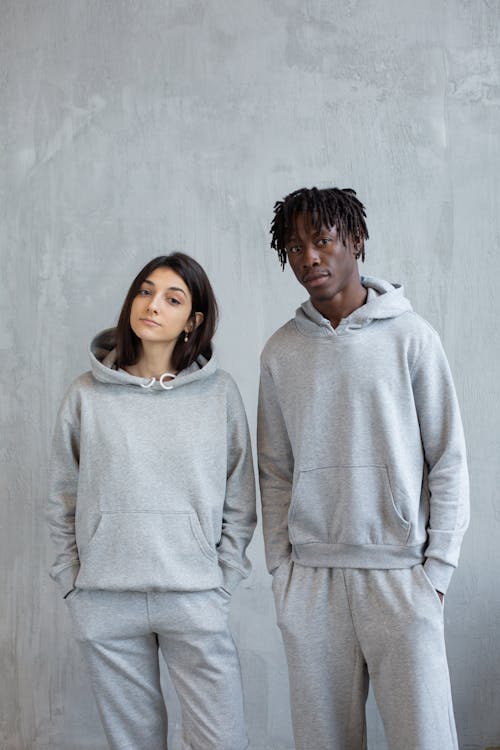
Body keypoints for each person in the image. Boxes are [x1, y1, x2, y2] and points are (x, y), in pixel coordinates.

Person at [258, 187, 469, 750]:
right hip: (313, 580)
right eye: (295, 246)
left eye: (322, 240)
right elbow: (274, 469)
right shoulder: (281, 351)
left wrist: (438, 573)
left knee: (423, 738)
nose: (309, 257)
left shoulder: (412, 338)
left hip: (401, 574)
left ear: (356, 240)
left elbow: (447, 459)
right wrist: (282, 569)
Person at [47, 252, 256, 750]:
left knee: (222, 740)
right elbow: (62, 497)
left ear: (194, 320)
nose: (152, 304)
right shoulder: (86, 396)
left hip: (194, 597)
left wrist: (221, 580)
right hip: (105, 599)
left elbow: (240, 498)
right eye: (145, 291)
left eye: (172, 297)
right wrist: (72, 583)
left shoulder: (219, 394)